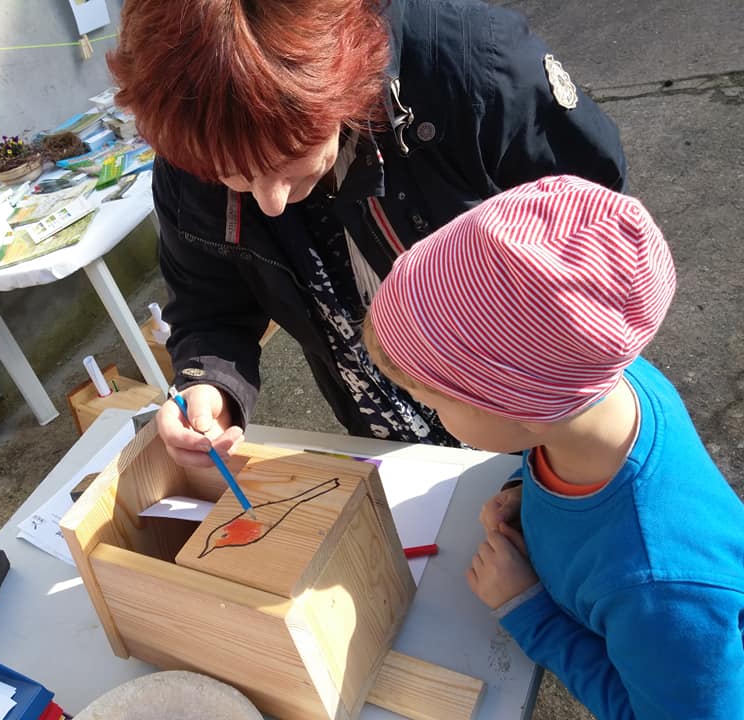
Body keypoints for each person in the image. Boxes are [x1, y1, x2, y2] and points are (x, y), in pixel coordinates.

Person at [107, 0, 628, 467]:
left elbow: (598, 247)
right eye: (233, 176)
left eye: (288, 158)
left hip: (529, 422)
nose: (271, 201)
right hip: (384, 432)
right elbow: (209, 306)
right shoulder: (195, 145)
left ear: (339, 85)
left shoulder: (477, 69)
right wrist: (210, 385)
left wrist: (555, 459)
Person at [364, 175, 744, 718]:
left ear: (518, 408)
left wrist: (528, 611)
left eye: (430, 399)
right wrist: (527, 485)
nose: (427, 412)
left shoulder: (660, 589)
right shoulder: (608, 382)